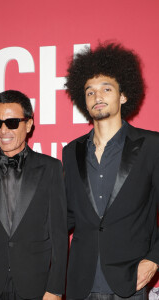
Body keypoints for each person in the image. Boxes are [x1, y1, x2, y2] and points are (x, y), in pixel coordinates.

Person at [63, 42, 159, 299]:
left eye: (106, 89)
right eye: (90, 92)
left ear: (123, 95)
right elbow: (67, 216)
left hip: (129, 283)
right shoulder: (70, 151)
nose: (98, 97)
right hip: (81, 285)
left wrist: (154, 260)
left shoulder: (152, 146)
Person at [0, 90, 67, 300]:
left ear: (28, 125)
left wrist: (55, 289)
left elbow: (59, 234)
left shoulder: (51, 168)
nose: (3, 130)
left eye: (11, 123)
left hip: (35, 285)